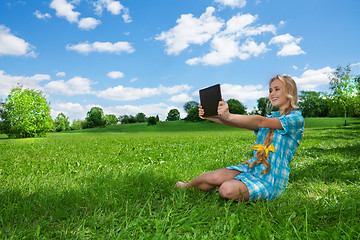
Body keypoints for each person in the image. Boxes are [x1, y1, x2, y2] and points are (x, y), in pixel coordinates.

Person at [175, 75, 304, 201]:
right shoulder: (271, 118)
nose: (272, 93)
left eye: (277, 89)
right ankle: (186, 186)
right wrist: (213, 117)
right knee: (215, 177)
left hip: (270, 180)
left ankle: (236, 184)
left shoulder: (296, 119)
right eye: (270, 90)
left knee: (226, 189)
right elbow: (238, 123)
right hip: (252, 168)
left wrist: (228, 115)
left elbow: (260, 122)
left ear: (289, 91)